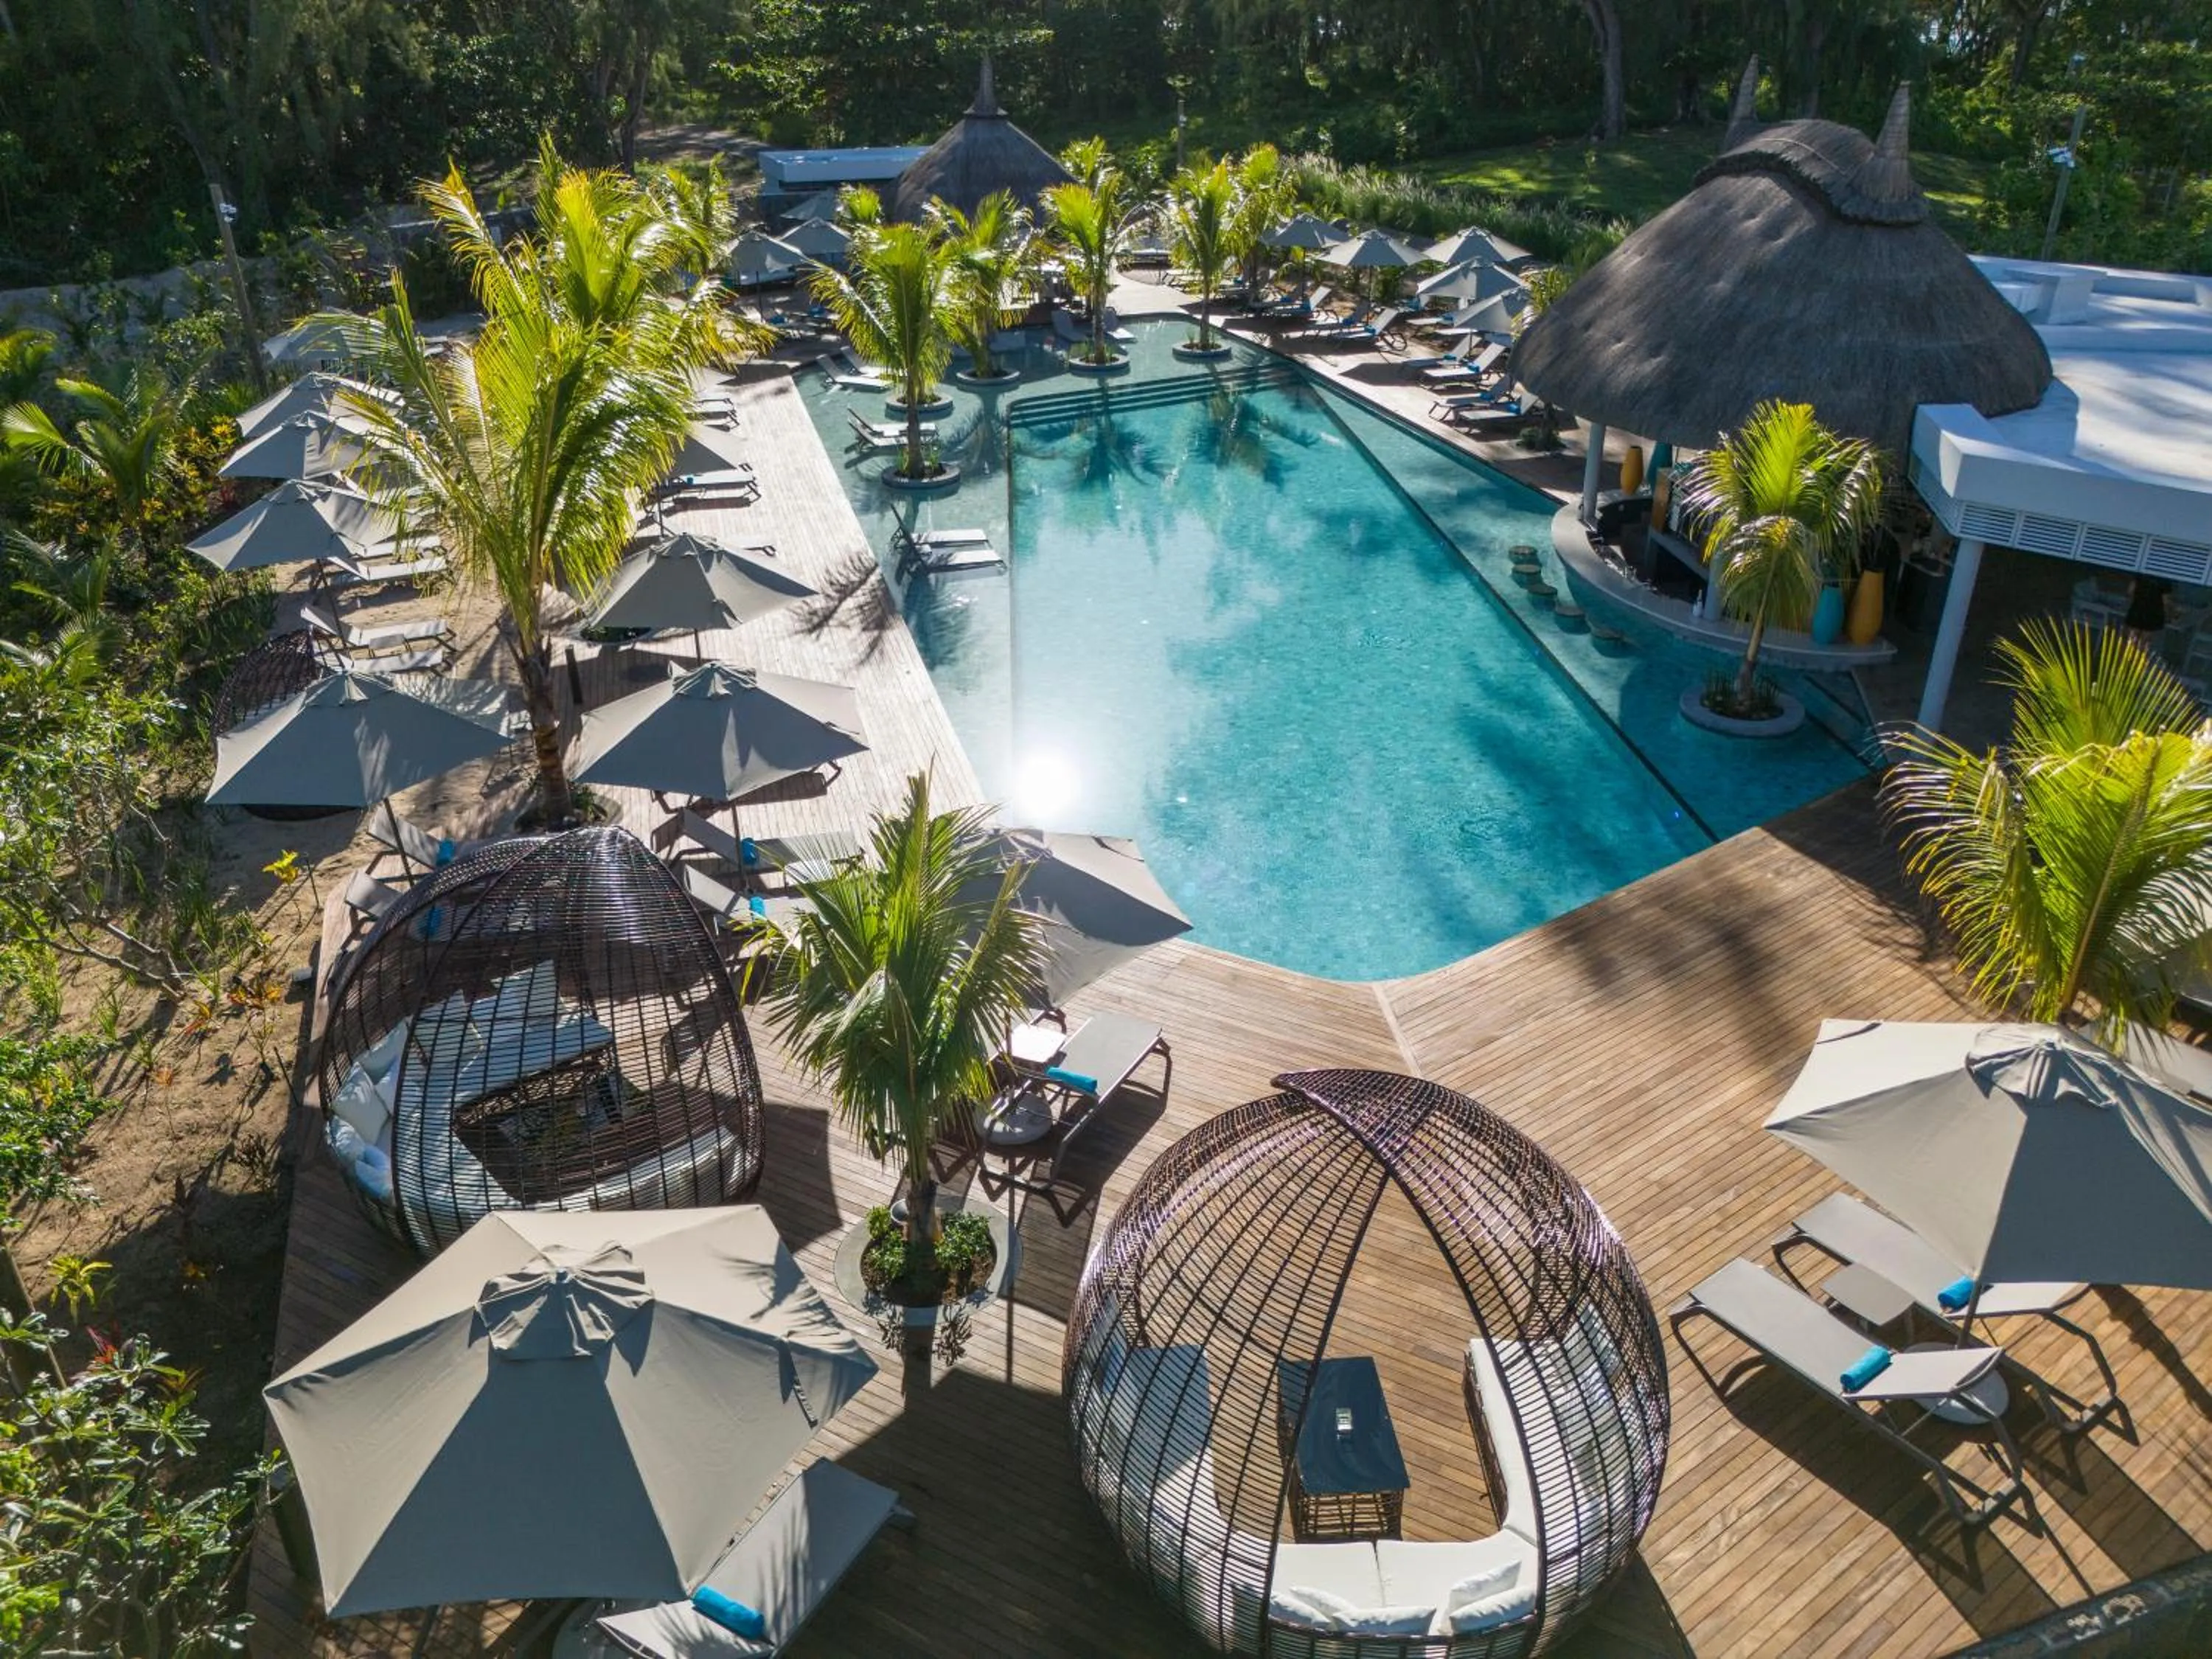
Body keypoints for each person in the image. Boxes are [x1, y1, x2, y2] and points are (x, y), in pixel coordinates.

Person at [2125, 575, 2172, 647]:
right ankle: (2140, 653)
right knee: (2145, 640)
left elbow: (2130, 591)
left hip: (2137, 610)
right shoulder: (2165, 580)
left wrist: (2137, 600)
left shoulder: (2142, 575)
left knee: (2132, 637)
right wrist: (2168, 614)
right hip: (2152, 614)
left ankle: (2129, 652)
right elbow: (2165, 601)